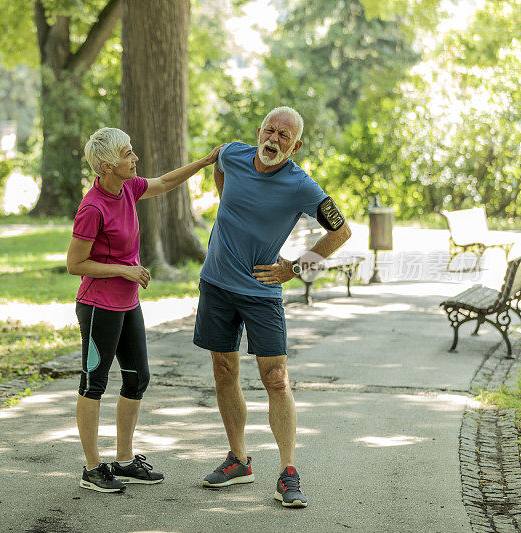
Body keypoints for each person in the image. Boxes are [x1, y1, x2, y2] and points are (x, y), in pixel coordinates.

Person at [193, 106, 351, 507]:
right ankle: (239, 460)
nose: (274, 139)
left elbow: (342, 231)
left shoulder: (302, 186)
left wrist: (295, 268)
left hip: (262, 291)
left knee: (276, 378)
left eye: (284, 135)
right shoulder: (232, 154)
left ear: (295, 145)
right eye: (269, 129)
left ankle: (288, 472)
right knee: (224, 369)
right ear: (258, 130)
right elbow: (221, 176)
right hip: (216, 284)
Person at [66, 127, 222, 493]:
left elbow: (166, 182)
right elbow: (75, 264)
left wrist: (204, 161)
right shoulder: (92, 207)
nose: (135, 159)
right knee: (94, 383)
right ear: (107, 165)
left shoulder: (129, 189)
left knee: (138, 379)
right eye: (128, 154)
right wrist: (125, 269)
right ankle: (92, 468)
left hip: (127, 304)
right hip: (97, 307)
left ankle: (123, 460)